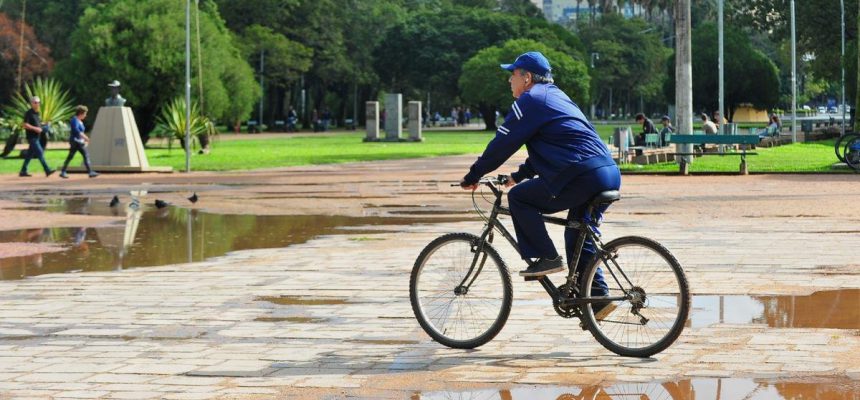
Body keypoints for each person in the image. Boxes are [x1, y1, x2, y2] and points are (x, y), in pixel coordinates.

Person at [460, 51, 620, 290]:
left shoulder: (530, 100)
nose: (509, 80)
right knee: (578, 233)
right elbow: (558, 147)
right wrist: (518, 176)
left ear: (527, 78)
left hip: (582, 175)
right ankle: (596, 299)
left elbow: (502, 145)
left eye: (513, 74)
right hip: (607, 172)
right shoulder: (558, 96)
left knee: (519, 198)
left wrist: (474, 175)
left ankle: (547, 257)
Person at [19, 96, 55, 177]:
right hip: (32, 137)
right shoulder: (29, 113)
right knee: (40, 152)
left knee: (29, 154)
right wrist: (35, 129)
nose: (37, 104)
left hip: (37, 137)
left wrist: (45, 124)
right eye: (35, 102)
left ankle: (23, 171)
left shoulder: (37, 113)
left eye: (38, 102)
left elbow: (38, 124)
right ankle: (47, 170)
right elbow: (25, 124)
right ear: (31, 103)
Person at [59, 105, 98, 178]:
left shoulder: (79, 121)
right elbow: (76, 130)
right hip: (76, 142)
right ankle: (90, 172)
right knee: (85, 155)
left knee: (71, 156)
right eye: (85, 114)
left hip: (78, 141)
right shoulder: (75, 120)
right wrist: (85, 137)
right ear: (80, 113)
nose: (85, 115)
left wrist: (84, 138)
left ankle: (63, 171)